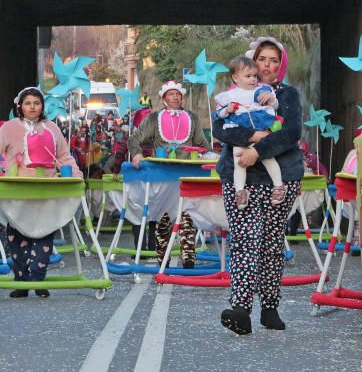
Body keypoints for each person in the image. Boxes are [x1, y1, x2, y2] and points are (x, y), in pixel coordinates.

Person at [215, 36, 304, 335]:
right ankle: (240, 308)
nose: (267, 66)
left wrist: (259, 153)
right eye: (262, 59)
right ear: (252, 61)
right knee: (244, 240)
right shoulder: (234, 93)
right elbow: (219, 128)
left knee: (270, 243)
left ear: (281, 65)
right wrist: (251, 141)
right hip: (241, 176)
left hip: (281, 179)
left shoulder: (286, 95)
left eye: (274, 60)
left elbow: (290, 132)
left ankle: (269, 307)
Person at [0, 87, 82, 298]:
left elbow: (64, 156)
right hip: (17, 192)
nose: (32, 107)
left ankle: (38, 278)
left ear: (42, 106)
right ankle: (21, 281)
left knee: (45, 235)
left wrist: (75, 173)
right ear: (20, 105)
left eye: (36, 103)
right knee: (16, 238)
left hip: (46, 190)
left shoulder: (53, 129)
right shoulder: (8, 128)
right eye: (28, 103)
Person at [126, 80, 212, 267]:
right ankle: (162, 259)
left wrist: (212, 156)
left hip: (185, 176)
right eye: (171, 94)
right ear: (164, 98)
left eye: (178, 94)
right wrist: (137, 154)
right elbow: (134, 139)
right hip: (163, 176)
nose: (176, 97)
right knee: (163, 219)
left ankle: (189, 259)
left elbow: (203, 145)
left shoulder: (192, 118)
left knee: (187, 215)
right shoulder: (153, 119)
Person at [214, 56, 285, 209]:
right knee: (238, 159)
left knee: (268, 157)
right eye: (248, 76)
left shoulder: (261, 90)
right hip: (241, 136)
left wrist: (271, 99)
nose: (253, 79)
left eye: (254, 75)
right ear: (235, 77)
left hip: (261, 130)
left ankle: (278, 186)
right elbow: (219, 114)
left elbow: (276, 104)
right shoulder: (229, 96)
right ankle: (240, 191)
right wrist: (227, 110)